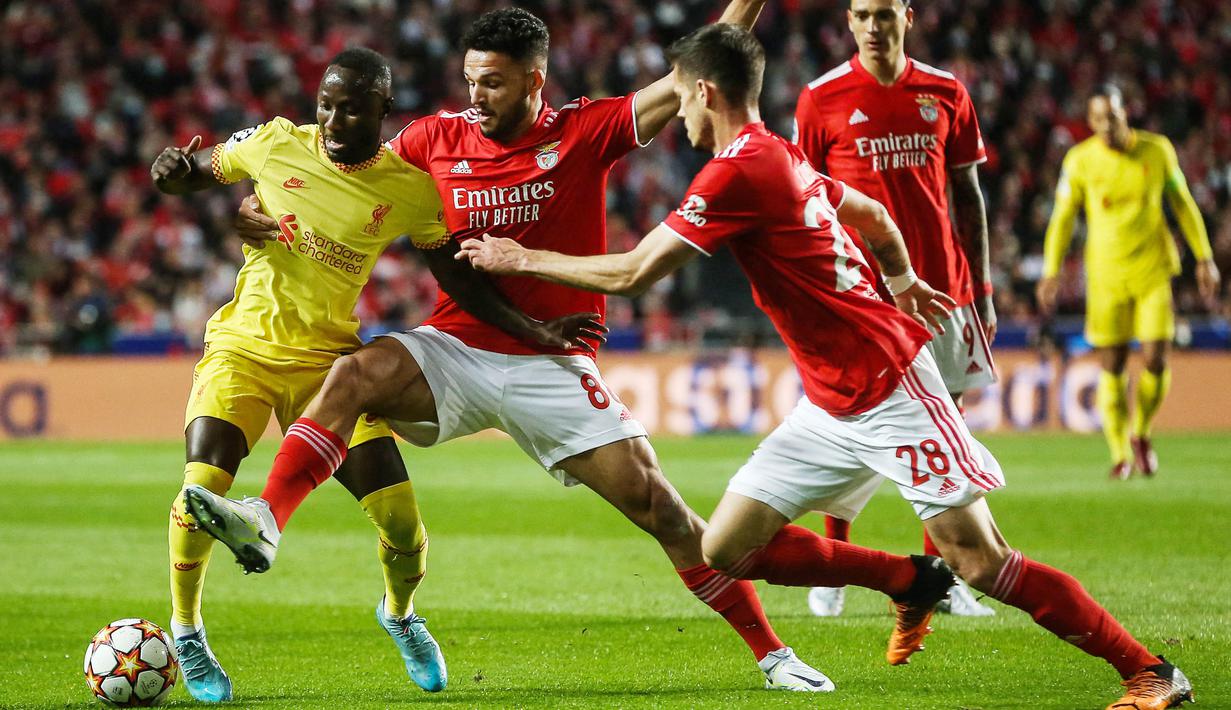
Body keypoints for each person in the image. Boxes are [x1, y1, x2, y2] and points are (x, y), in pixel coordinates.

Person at [456, 23, 1195, 709]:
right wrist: (901, 279)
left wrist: (520, 257)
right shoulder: (777, 152)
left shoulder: (733, 174)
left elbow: (633, 274)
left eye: (678, 98)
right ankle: (909, 579)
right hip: (828, 401)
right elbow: (870, 214)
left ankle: (1150, 671)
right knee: (727, 546)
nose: (674, 116)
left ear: (702, 92)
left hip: (888, 386)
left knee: (983, 561)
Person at [182, 4, 837, 693]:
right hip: (456, 348)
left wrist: (742, 13)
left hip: (550, 361)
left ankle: (772, 655)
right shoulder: (433, 139)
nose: (475, 97)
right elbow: (335, 171)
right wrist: (247, 208)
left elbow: (687, 78)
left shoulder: (585, 130)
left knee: (663, 511)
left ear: (534, 81)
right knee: (353, 373)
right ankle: (266, 519)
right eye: (470, 81)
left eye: (492, 83)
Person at [151, 47, 598, 702]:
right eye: (327, 103)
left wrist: (533, 332)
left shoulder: (409, 189)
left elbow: (457, 281)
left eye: (352, 107)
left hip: (331, 367)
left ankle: (399, 614)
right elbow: (194, 172)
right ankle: (187, 630)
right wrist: (173, 174)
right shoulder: (273, 143)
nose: (333, 119)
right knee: (201, 489)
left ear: (382, 111)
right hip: (241, 350)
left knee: (401, 526)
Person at [792, 0, 995, 618]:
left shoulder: (945, 91)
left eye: (884, 13)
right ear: (848, 22)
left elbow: (968, 194)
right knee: (846, 429)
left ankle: (944, 577)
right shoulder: (820, 98)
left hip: (943, 292)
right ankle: (831, 569)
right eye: (861, 14)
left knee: (946, 435)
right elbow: (803, 202)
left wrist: (982, 290)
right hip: (862, 298)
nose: (873, 26)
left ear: (909, 16)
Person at [1038, 82, 1220, 480]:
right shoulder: (1080, 161)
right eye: (1098, 119)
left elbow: (1184, 204)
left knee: (1156, 357)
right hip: (1105, 276)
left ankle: (1141, 431)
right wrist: (1051, 270)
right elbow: (1063, 218)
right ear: (1090, 122)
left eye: (1113, 117)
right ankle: (1120, 453)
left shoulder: (1157, 151)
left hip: (1153, 270)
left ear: (1127, 113)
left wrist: (1205, 258)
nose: (1107, 126)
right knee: (1113, 364)